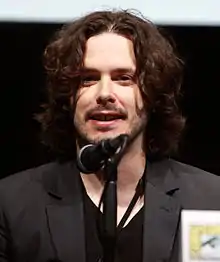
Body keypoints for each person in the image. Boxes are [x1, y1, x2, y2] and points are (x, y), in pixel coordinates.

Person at [0, 9, 220, 262]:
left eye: (123, 78)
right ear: (67, 98)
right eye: (88, 79)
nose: (105, 93)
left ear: (153, 95)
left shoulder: (211, 200)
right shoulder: (11, 205)